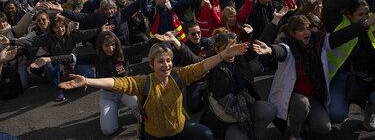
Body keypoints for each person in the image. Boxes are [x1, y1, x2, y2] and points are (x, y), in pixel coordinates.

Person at [57, 38, 249, 139]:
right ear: (151, 64)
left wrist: (223, 55)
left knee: (206, 135)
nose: (165, 65)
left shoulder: (179, 76)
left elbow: (202, 66)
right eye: (160, 62)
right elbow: (118, 83)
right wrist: (88, 81)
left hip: (179, 130)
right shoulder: (143, 82)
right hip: (155, 135)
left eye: (168, 61)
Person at [252, 12, 375, 139]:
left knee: (324, 127)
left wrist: (366, 24)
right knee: (301, 102)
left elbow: (341, 36)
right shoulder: (288, 47)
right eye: (301, 30)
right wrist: (269, 50)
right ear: (293, 34)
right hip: (292, 99)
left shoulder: (319, 41)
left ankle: (304, 120)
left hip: (313, 98)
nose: (307, 32)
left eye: (308, 28)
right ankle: (294, 134)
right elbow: (280, 51)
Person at [30, 31, 163, 135]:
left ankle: (136, 109)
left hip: (126, 90)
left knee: (145, 112)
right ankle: (113, 113)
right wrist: (48, 59)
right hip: (108, 95)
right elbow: (71, 57)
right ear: (100, 46)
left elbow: (143, 45)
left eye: (113, 44)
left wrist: (162, 37)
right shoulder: (96, 57)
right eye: (106, 45)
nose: (111, 48)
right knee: (108, 130)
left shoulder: (124, 52)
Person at [0, 16, 112, 101]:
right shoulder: (48, 38)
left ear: (65, 27)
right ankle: (58, 88)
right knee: (49, 67)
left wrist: (99, 30)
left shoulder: (72, 35)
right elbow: (30, 41)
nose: (60, 29)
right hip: (57, 62)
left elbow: (86, 33)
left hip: (72, 61)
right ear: (52, 29)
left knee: (91, 76)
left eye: (62, 26)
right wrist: (11, 41)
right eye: (57, 27)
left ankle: (68, 77)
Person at [198, 27, 275, 140]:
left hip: (244, 105)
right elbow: (194, 62)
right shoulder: (211, 65)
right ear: (217, 50)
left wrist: (275, 21)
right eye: (227, 50)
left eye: (234, 48)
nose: (231, 53)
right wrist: (178, 45)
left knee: (268, 111)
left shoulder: (240, 55)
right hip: (224, 116)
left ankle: (255, 135)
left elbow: (259, 43)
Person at [322, 0, 375, 130]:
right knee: (337, 115)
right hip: (342, 76)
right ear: (349, 15)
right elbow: (330, 8)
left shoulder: (372, 24)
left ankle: (370, 110)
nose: (365, 18)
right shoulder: (338, 23)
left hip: (369, 76)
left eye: (367, 14)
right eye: (360, 15)